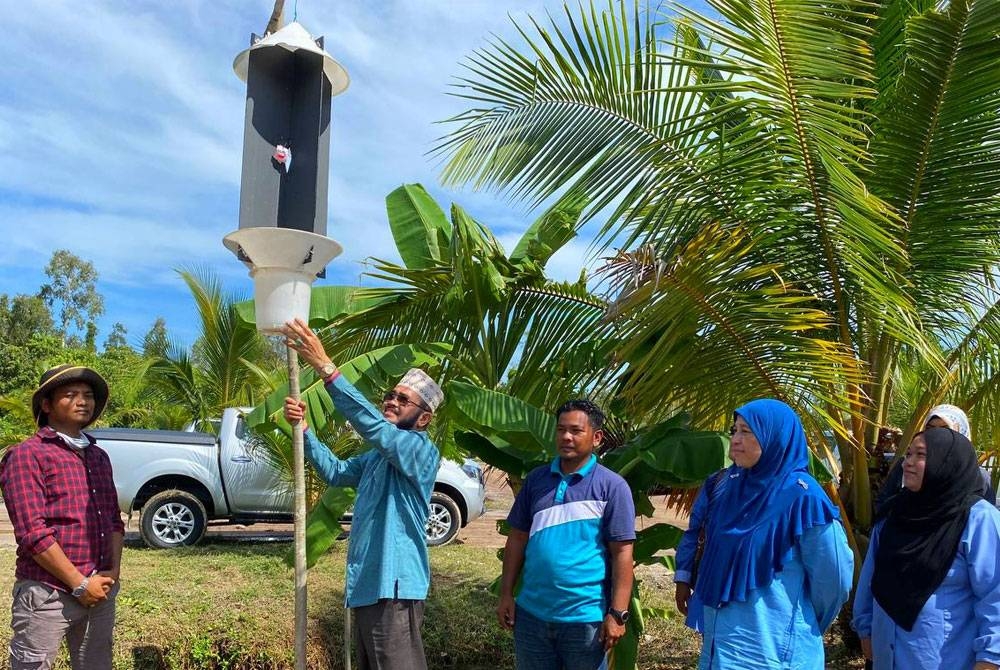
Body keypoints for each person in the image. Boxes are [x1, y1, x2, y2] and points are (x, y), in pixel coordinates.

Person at [282, 318, 441, 670]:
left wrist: (327, 369)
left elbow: (374, 427)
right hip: (369, 585)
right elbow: (336, 473)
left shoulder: (420, 451)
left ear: (424, 419)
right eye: (390, 395)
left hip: (395, 587)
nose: (392, 400)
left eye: (404, 399)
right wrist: (304, 430)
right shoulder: (376, 458)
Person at [683, 398, 853, 669]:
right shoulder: (729, 491)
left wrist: (800, 624)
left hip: (774, 655)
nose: (735, 439)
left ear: (775, 437)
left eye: (747, 432)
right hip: (721, 654)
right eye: (734, 430)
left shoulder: (803, 498)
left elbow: (834, 581)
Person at [0, 364, 124, 670]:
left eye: (88, 395)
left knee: (96, 664)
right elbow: (33, 534)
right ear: (47, 404)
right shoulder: (27, 455)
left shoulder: (98, 456)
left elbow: (112, 519)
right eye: (70, 394)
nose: (83, 401)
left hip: (100, 590)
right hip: (48, 593)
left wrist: (111, 572)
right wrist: (79, 585)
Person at [496, 399, 635, 670]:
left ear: (596, 438)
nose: (566, 437)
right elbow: (517, 538)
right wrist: (506, 594)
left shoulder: (612, 487)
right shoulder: (537, 480)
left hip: (585, 619)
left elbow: (622, 553)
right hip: (532, 615)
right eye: (561, 430)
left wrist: (618, 614)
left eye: (575, 430)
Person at [852, 427, 1000, 669]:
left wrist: (991, 658)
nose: (907, 463)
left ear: (946, 461)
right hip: (886, 658)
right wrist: (865, 626)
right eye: (908, 454)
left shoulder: (978, 520)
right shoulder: (894, 512)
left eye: (920, 455)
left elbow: (995, 596)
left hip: (945, 660)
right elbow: (872, 576)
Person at [875, 403, 995, 514]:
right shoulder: (906, 464)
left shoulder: (979, 478)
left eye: (945, 428)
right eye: (930, 428)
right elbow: (882, 506)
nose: (936, 434)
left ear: (960, 433)